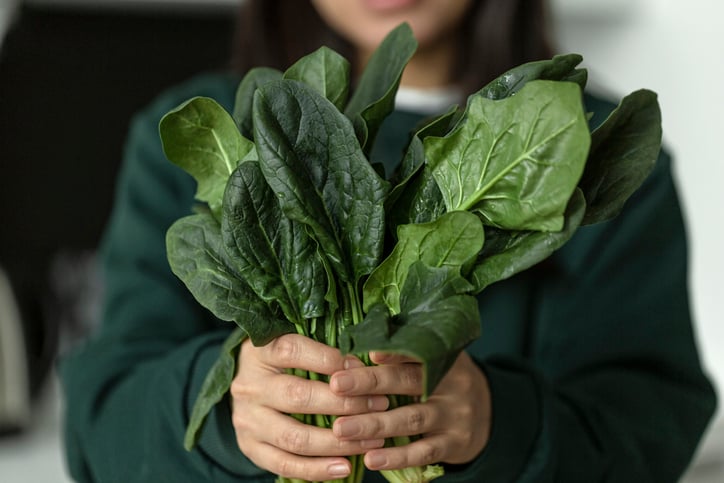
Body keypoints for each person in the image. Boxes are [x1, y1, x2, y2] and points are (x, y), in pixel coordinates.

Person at [59, 0, 717, 482]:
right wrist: (228, 411)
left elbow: (653, 420)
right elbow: (102, 419)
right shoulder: (190, 138)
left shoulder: (590, 148)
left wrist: (501, 420)